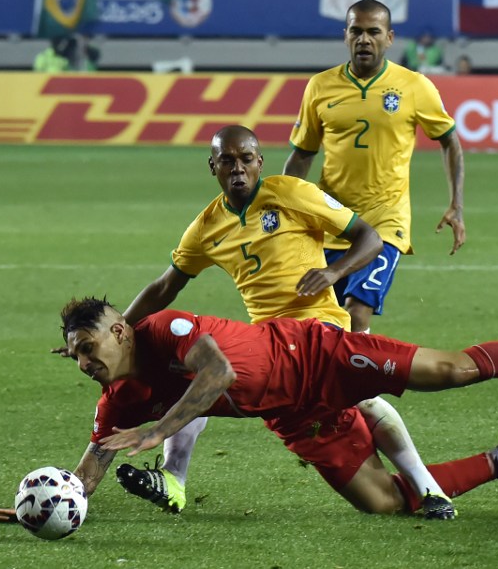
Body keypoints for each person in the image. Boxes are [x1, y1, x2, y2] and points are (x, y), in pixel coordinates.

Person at [114, 125, 467, 519]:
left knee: (364, 399)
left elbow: (369, 239)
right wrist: (116, 333)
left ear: (259, 162)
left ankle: (430, 489)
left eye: (246, 159)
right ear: (211, 165)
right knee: (190, 380)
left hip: (321, 329)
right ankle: (173, 481)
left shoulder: (290, 193)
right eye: (227, 161)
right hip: (269, 345)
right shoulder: (206, 227)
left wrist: (334, 273)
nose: (238, 168)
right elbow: (164, 287)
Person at [64, 298, 498, 518]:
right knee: (384, 503)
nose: (86, 363)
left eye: (89, 349)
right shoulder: (119, 398)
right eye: (77, 360)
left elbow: (218, 374)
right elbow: (90, 468)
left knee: (452, 370)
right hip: (292, 413)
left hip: (315, 355)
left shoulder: (167, 329)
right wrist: (50, 501)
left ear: (118, 330)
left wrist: (157, 432)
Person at [283, 0, 466, 338]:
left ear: (390, 38)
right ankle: (343, 388)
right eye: (356, 31)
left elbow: (449, 140)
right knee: (325, 320)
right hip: (333, 219)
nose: (364, 39)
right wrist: (283, 205)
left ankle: (360, 389)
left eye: (373, 32)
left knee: (358, 310)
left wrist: (456, 203)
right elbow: (302, 153)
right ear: (345, 36)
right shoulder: (320, 87)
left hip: (386, 221)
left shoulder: (414, 86)